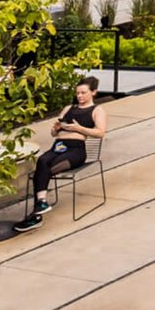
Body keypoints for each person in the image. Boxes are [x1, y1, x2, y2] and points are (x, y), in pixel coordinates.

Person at [14, 76, 107, 231]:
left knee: (43, 172)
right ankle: (40, 205)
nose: (80, 96)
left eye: (83, 93)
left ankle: (35, 216)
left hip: (76, 150)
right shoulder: (68, 108)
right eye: (78, 93)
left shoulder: (97, 110)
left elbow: (100, 133)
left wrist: (79, 129)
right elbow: (53, 133)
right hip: (58, 146)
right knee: (42, 161)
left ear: (93, 92)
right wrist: (56, 128)